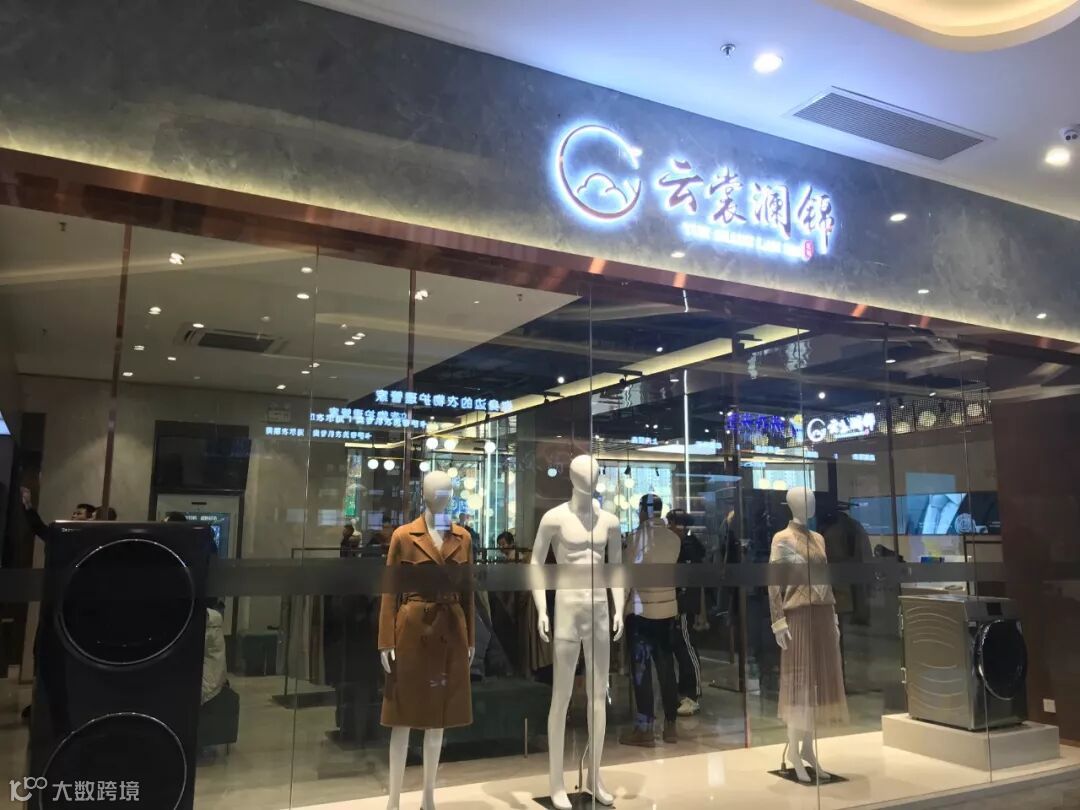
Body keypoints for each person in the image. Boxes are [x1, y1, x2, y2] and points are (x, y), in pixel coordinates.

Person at [621, 494, 681, 747]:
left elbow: (626, 577)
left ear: (643, 511)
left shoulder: (635, 538)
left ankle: (645, 729)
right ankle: (671, 725)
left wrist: (619, 610)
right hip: (667, 610)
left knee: (642, 671)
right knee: (666, 667)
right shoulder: (674, 539)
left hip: (641, 611)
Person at [667, 509, 705, 716]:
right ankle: (685, 692)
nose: (668, 527)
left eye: (671, 523)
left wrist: (681, 603)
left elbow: (688, 583)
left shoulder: (688, 549)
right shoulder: (684, 546)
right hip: (679, 604)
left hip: (683, 606)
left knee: (687, 646)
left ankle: (693, 694)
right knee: (681, 648)